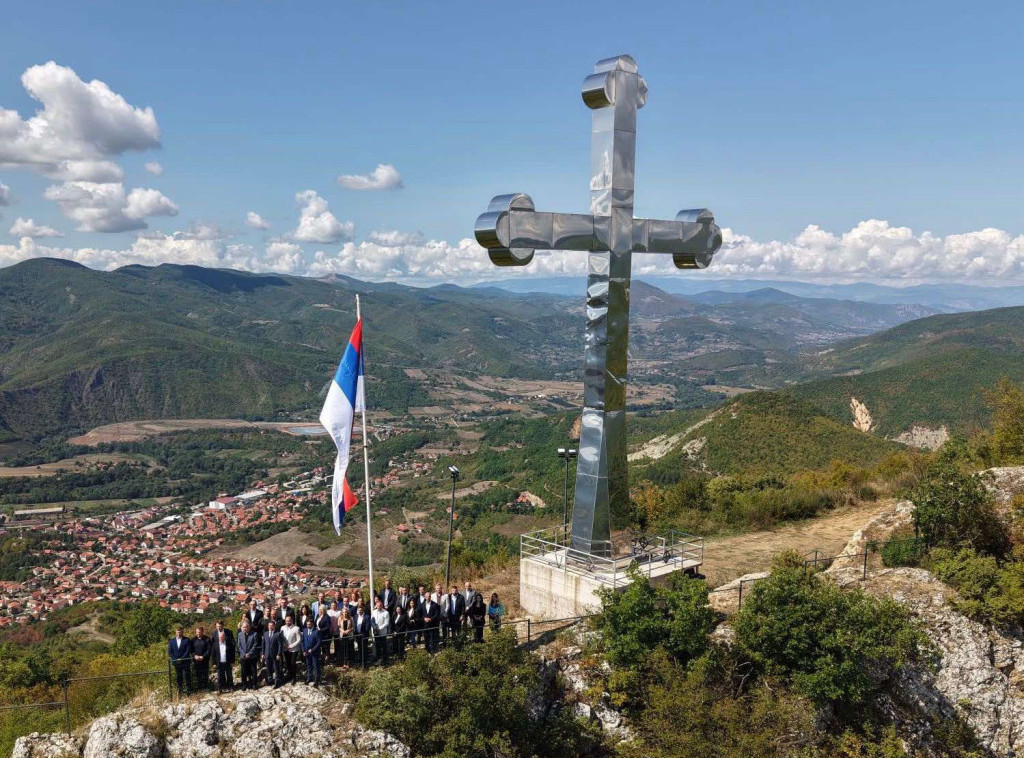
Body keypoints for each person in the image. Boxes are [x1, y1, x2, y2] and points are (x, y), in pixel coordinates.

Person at [237, 618, 260, 690]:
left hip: (252, 656)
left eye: (246, 627)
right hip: (243, 656)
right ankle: (244, 685)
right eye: (243, 627)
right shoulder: (240, 635)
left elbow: (255, 645)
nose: (245, 628)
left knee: (253, 671)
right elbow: (239, 646)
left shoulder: (254, 634)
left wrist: (249, 654)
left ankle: (254, 684)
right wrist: (243, 654)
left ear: (249, 627)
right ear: (241, 628)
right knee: (243, 672)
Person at [168, 627, 191, 696]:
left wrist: (182, 658)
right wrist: (175, 659)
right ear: (175, 632)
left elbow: (188, 650)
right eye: (177, 632)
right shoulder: (172, 641)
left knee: (187, 676)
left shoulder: (187, 640)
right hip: (176, 663)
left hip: (185, 662)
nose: (179, 633)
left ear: (182, 632)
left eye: (180, 632)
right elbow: (170, 652)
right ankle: (180, 692)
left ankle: (188, 692)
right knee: (179, 677)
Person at [280, 613, 302, 684]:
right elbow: (281, 638)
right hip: (285, 648)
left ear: (292, 620)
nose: (287, 622)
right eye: (286, 621)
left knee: (293, 663)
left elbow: (299, 639)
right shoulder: (282, 628)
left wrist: (292, 645)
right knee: (288, 663)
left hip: (294, 649)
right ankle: (289, 676)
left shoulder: (296, 628)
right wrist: (284, 644)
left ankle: (293, 677)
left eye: (289, 621)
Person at [213, 627, 236, 693]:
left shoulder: (229, 643)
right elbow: (213, 654)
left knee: (229, 676)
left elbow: (232, 653)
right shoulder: (215, 645)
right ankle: (219, 689)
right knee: (219, 677)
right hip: (219, 663)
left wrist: (232, 662)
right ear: (218, 638)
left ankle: (231, 687)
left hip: (228, 662)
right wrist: (214, 663)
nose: (221, 639)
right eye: (220, 638)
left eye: (222, 637)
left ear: (224, 637)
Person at [261, 618, 282, 688]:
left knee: (276, 668)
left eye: (272, 625)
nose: (270, 627)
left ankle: (277, 681)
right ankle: (270, 680)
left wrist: (279, 654)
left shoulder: (277, 634)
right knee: (268, 668)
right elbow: (263, 645)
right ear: (268, 626)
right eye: (269, 625)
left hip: (275, 654)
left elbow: (280, 645)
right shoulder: (265, 634)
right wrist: (263, 654)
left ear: (274, 626)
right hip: (267, 654)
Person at [191, 625, 212, 692]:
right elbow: (191, 650)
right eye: (197, 632)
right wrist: (195, 656)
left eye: (200, 632)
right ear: (195, 632)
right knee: (198, 674)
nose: (198, 634)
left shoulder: (207, 639)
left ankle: (206, 687)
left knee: (205, 674)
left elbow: (209, 650)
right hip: (196, 661)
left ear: (202, 632)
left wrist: (203, 656)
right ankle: (199, 688)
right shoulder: (193, 640)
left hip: (205, 660)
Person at [370, 597, 391, 666]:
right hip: (376, 632)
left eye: (380, 606)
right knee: (378, 646)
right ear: (376, 605)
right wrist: (375, 628)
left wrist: (379, 629)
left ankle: (385, 660)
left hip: (382, 632)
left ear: (382, 606)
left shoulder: (386, 612)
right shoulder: (373, 612)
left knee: (383, 647)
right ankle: (379, 660)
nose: (379, 607)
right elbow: (372, 621)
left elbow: (386, 623)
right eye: (378, 606)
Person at [302, 617, 322, 686]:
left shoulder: (317, 631)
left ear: (312, 624)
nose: (308, 626)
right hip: (307, 652)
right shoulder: (304, 630)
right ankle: (309, 677)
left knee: (316, 666)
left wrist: (313, 649)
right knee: (308, 665)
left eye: (309, 624)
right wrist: (304, 650)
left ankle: (317, 680)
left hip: (314, 652)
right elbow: (303, 641)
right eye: (307, 624)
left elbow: (319, 642)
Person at [352, 601, 371, 667]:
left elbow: (367, 627)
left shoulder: (367, 617)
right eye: (358, 610)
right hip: (357, 635)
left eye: (360, 610)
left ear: (363, 610)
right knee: (359, 649)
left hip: (364, 636)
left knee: (364, 649)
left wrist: (364, 634)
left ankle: (364, 663)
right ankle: (360, 662)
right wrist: (355, 633)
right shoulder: (355, 616)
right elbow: (354, 625)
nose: (359, 611)